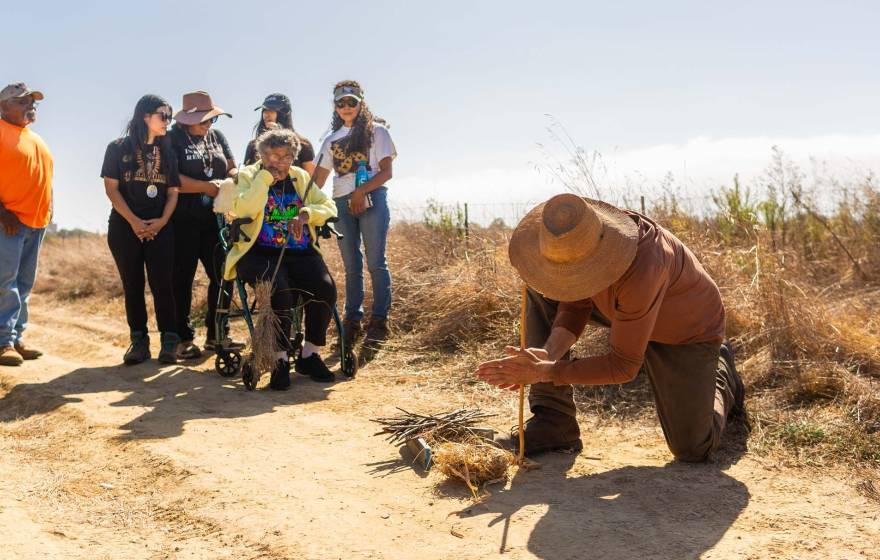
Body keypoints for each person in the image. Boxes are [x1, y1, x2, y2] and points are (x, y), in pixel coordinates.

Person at [476, 193, 745, 462]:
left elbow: (624, 365)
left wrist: (545, 372)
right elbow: (574, 303)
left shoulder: (646, 264)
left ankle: (722, 371)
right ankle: (554, 423)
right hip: (626, 310)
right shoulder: (586, 240)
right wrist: (548, 354)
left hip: (684, 331)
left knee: (693, 449)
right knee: (544, 290)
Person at [215, 128, 338, 389]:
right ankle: (280, 359)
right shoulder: (248, 176)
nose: (278, 162)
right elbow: (244, 208)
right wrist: (263, 180)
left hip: (300, 250)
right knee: (279, 290)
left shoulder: (301, 177)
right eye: (272, 155)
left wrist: (306, 214)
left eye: (285, 157)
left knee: (324, 288)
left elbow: (329, 206)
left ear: (293, 158)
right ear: (261, 155)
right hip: (258, 252)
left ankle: (310, 354)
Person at [313, 81, 396, 362]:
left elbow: (386, 172)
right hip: (341, 203)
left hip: (372, 199)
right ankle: (352, 320)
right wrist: (303, 203)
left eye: (352, 102)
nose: (347, 107)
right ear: (335, 107)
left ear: (361, 103)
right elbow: (319, 179)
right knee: (351, 265)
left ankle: (379, 321)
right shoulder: (331, 138)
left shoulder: (377, 132)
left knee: (375, 261)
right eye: (341, 103)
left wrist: (361, 191)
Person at [101, 94, 181, 365]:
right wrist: (134, 221)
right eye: (163, 115)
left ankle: (170, 342)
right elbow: (111, 190)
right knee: (133, 285)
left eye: (170, 116)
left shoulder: (167, 150)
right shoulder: (117, 148)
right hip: (125, 227)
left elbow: (173, 192)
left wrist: (162, 221)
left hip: (161, 227)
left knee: (163, 285)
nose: (167, 121)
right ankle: (139, 342)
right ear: (145, 116)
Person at [170, 91, 239, 358]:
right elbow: (170, 177)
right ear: (187, 120)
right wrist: (205, 187)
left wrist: (237, 178)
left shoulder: (217, 137)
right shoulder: (172, 139)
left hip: (216, 220)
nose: (208, 125)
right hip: (181, 221)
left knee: (224, 274)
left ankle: (217, 333)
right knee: (182, 280)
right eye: (203, 120)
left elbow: (230, 167)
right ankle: (183, 339)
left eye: (211, 120)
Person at [0, 82, 52, 367]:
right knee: (4, 284)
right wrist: (2, 213)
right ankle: (2, 343)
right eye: (21, 102)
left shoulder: (35, 138)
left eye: (32, 102)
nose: (29, 106)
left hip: (36, 223)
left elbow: (44, 179)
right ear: (3, 106)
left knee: (23, 284)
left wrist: (50, 207)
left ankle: (16, 337)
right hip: (9, 222)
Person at [243, 93, 316, 175]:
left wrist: (280, 135)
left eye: (272, 110)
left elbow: (311, 181)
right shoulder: (253, 145)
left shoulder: (303, 144)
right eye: (265, 110)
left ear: (284, 113)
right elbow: (245, 179)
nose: (267, 115)